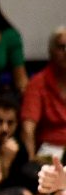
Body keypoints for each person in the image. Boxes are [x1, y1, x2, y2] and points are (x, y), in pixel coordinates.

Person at [21, 27, 66, 162]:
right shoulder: (38, 83)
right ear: (51, 51)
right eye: (61, 47)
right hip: (51, 151)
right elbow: (28, 129)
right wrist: (30, 163)